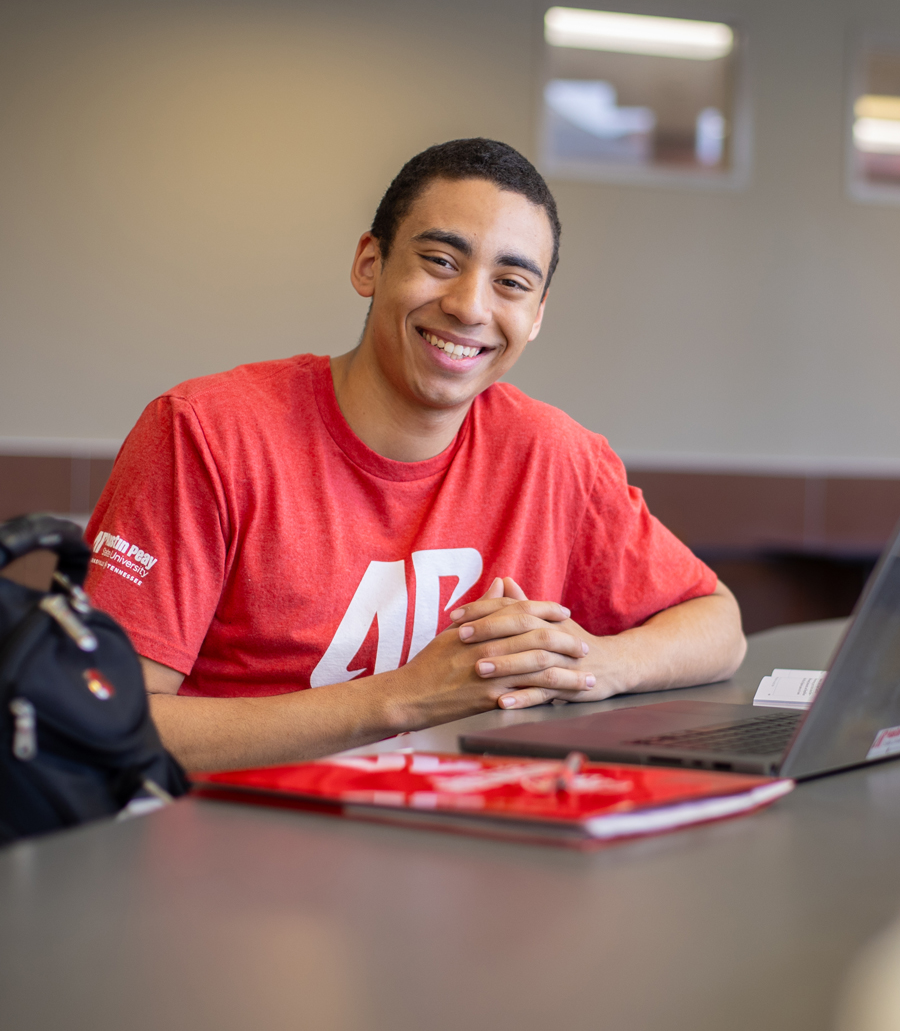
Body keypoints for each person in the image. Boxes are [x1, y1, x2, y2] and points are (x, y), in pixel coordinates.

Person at [85, 138, 746, 772]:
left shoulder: (555, 456)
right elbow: (104, 722)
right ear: (369, 263)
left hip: (466, 851)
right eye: (440, 260)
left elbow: (720, 624)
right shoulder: (206, 434)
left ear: (537, 314)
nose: (468, 307)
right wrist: (404, 696)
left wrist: (593, 663)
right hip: (234, 856)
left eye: (511, 282)